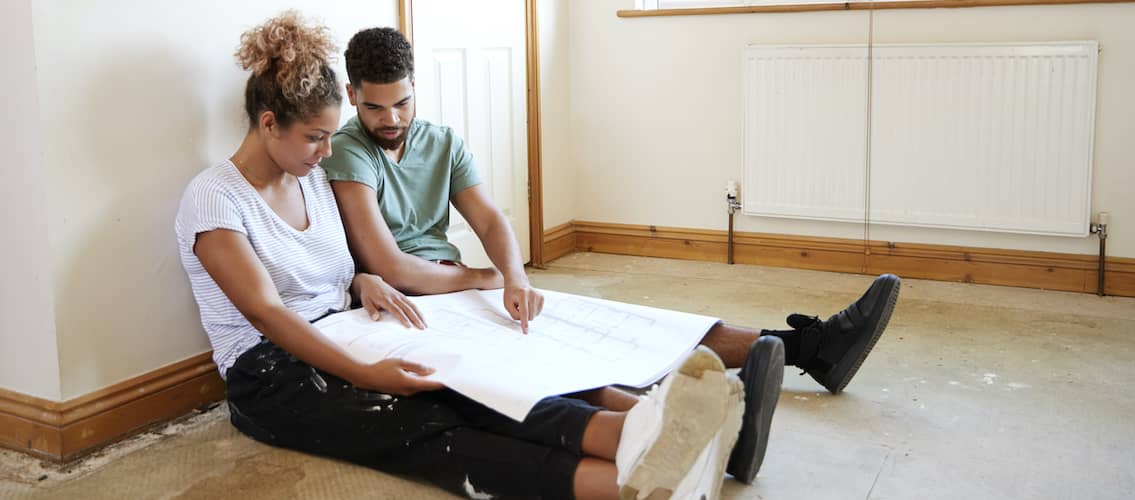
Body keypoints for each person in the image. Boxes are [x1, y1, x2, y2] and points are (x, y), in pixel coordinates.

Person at [175, 11, 754, 500]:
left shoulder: (311, 181)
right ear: (269, 123)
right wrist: (368, 374)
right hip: (269, 375)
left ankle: (643, 433)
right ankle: (633, 476)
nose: (328, 151)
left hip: (349, 330)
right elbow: (268, 314)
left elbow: (326, 270)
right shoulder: (214, 199)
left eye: (331, 136)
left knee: (472, 379)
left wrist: (359, 283)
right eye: (315, 138)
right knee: (428, 424)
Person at [321, 26, 902, 485]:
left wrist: (515, 276)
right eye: (375, 109)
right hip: (411, 302)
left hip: (459, 286)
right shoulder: (348, 151)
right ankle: (717, 422)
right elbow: (392, 266)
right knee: (556, 364)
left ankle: (802, 347)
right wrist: (482, 276)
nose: (391, 120)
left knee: (604, 321)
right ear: (353, 96)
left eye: (401, 103)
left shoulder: (441, 140)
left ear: (415, 85)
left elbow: (492, 219)